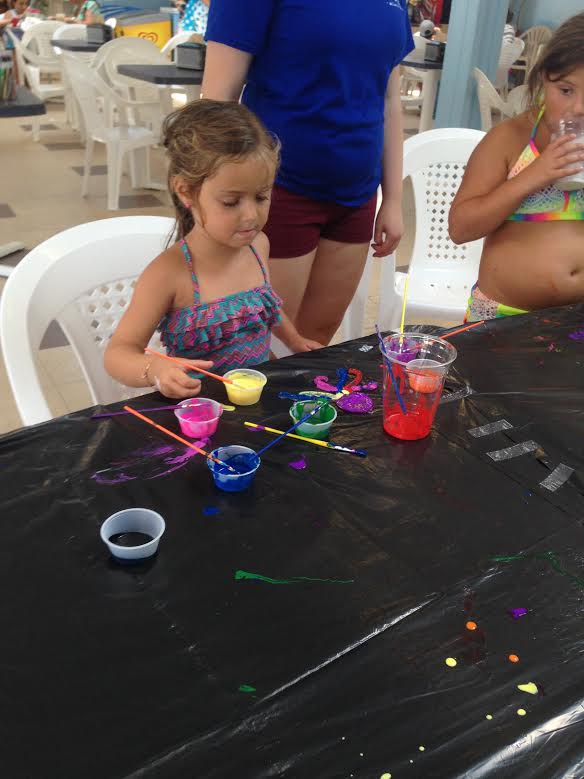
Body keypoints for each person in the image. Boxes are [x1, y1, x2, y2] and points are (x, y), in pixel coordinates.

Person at [202, 0, 414, 347]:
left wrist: (392, 199)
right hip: (278, 190)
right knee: (265, 343)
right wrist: (216, 202)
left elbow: (389, 99)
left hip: (357, 194)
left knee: (316, 342)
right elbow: (216, 103)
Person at [105, 100, 320, 400]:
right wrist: (154, 368)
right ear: (185, 191)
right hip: (202, 411)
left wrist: (294, 340)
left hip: (256, 400)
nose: (251, 215)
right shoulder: (169, 273)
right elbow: (117, 353)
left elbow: (266, 306)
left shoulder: (258, 245)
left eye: (261, 197)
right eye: (231, 202)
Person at [449, 12, 584, 322]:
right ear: (543, 80)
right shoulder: (511, 139)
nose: (579, 108)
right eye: (566, 90)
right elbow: (460, 228)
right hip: (502, 319)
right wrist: (534, 175)